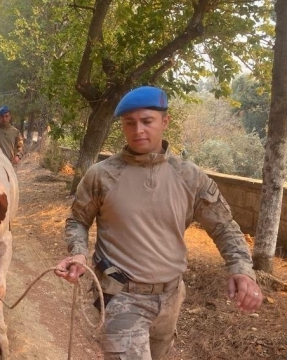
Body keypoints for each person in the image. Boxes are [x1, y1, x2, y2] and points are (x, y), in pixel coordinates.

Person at [53, 86, 263, 359]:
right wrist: (79, 253)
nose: (138, 129)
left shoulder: (190, 177)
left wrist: (242, 268)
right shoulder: (101, 175)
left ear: (165, 122)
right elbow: (77, 220)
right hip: (120, 297)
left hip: (171, 298)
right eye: (130, 123)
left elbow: (224, 226)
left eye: (147, 121)